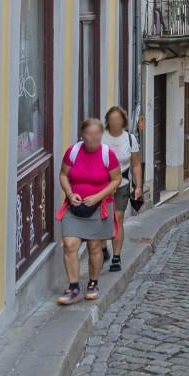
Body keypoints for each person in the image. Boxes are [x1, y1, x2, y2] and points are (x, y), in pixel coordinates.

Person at [56, 117, 123, 304]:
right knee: (69, 245)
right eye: (89, 134)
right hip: (74, 206)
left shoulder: (107, 155)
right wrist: (69, 193)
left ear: (101, 135)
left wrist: (98, 196)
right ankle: (73, 287)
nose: (93, 138)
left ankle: (93, 283)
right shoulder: (73, 152)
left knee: (95, 246)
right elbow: (63, 174)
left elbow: (116, 180)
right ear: (82, 135)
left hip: (99, 207)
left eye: (97, 134)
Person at [101, 105, 141, 273]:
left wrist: (138, 186)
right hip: (101, 185)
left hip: (122, 184)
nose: (115, 122)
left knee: (117, 218)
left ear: (123, 121)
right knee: (103, 219)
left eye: (118, 119)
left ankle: (116, 256)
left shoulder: (130, 139)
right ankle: (103, 247)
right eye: (112, 119)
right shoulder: (100, 138)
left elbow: (136, 164)